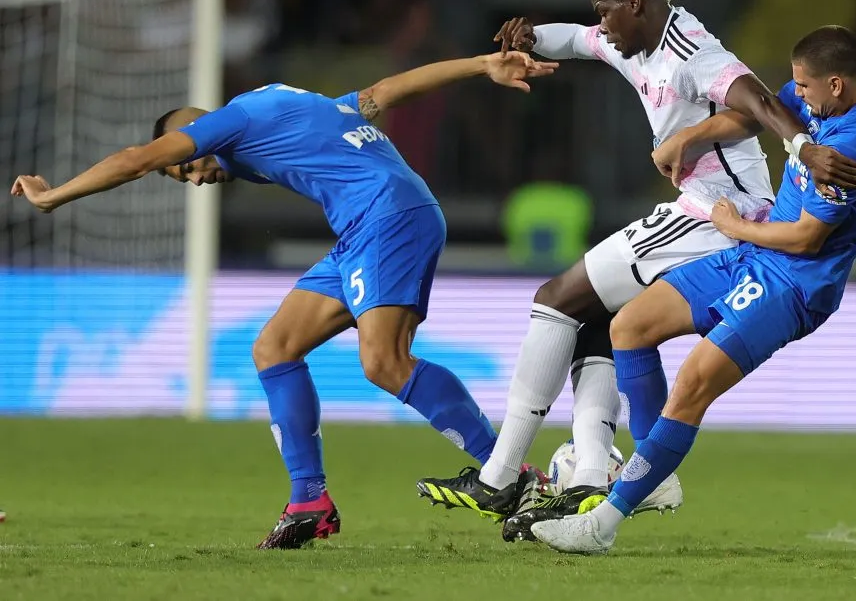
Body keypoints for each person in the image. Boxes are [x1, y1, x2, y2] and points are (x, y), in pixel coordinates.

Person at [10, 52, 558, 549]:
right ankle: (308, 502)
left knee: (383, 362)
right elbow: (387, 90)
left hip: (385, 217)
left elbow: (133, 158)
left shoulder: (234, 121)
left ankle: (505, 473)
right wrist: (483, 64)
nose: (194, 179)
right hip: (366, 228)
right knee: (275, 347)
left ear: (194, 134)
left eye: (184, 167)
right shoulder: (296, 107)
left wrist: (52, 196)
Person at [416, 0, 856, 540]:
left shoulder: (690, 50)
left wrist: (802, 147)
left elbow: (756, 100)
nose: (601, 23)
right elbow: (577, 41)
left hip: (716, 216)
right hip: (696, 212)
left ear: (637, 4)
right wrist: (531, 35)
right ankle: (591, 476)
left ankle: (502, 475)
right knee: (603, 320)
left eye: (607, 11)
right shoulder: (630, 42)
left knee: (557, 297)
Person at [531, 25, 856, 554]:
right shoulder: (843, 102)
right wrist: (690, 136)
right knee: (629, 326)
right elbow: (759, 112)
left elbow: (806, 237)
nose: (799, 95)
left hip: (793, 282)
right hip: (755, 254)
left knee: (693, 384)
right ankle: (651, 474)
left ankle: (601, 525)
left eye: (807, 87)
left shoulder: (851, 145)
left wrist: (734, 225)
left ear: (836, 84)